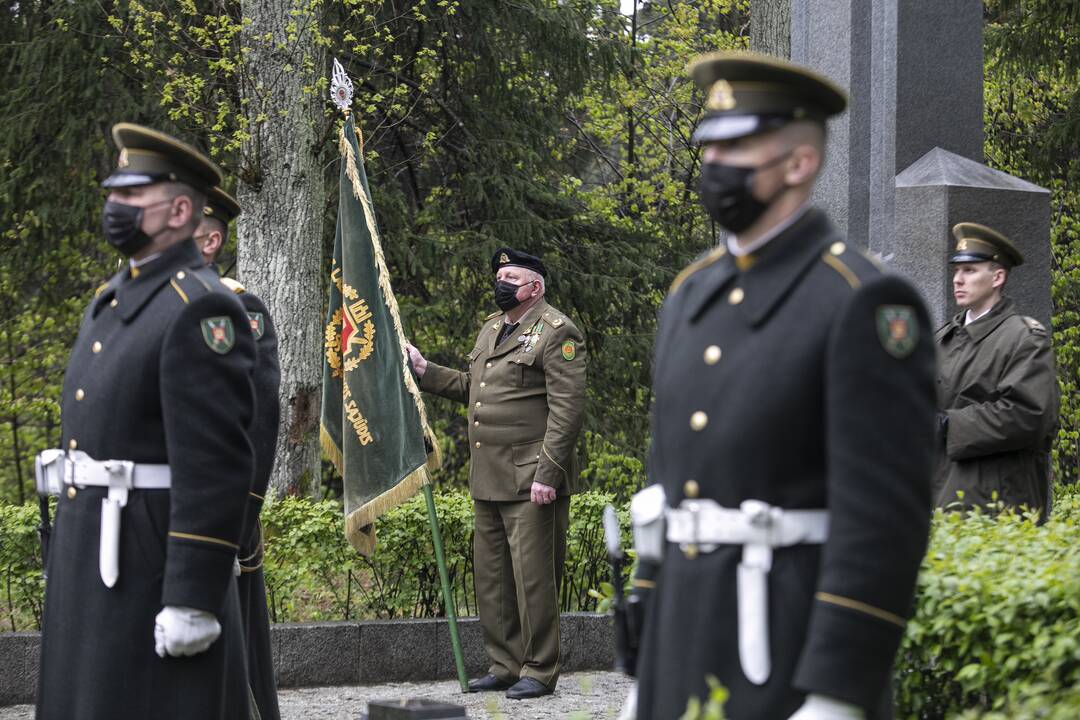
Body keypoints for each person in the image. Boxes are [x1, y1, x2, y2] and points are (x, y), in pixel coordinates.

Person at [631, 53, 937, 720]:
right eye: (709, 146)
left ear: (798, 163)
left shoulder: (862, 301)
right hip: (681, 641)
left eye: (737, 147)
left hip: (785, 645)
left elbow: (884, 519)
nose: (715, 164)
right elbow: (667, 488)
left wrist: (836, 692)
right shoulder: (692, 293)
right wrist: (642, 663)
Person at [35, 123, 257, 719]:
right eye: (115, 192)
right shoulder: (114, 299)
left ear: (180, 210)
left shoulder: (201, 307)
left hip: (146, 559)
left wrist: (192, 597)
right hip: (93, 548)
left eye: (133, 196)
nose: (115, 206)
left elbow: (215, 464)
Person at [406, 248, 587, 700]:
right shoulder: (493, 327)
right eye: (499, 274)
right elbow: (475, 388)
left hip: (532, 479)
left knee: (534, 580)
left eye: (511, 276)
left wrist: (549, 473)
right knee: (493, 581)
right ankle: (504, 665)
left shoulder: (557, 331)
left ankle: (540, 670)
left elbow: (567, 410)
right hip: (488, 476)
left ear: (535, 287)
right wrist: (426, 371)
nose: (501, 281)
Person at [196, 186, 283, 720]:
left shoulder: (237, 305)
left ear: (210, 239)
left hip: (222, 505)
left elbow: (259, 416)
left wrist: (242, 508)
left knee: (234, 648)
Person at [934, 222, 1058, 515]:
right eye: (956, 270)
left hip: (992, 504)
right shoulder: (944, 337)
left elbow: (1029, 415)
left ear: (997, 277)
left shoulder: (1024, 338)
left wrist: (947, 424)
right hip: (940, 494)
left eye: (970, 270)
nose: (958, 280)